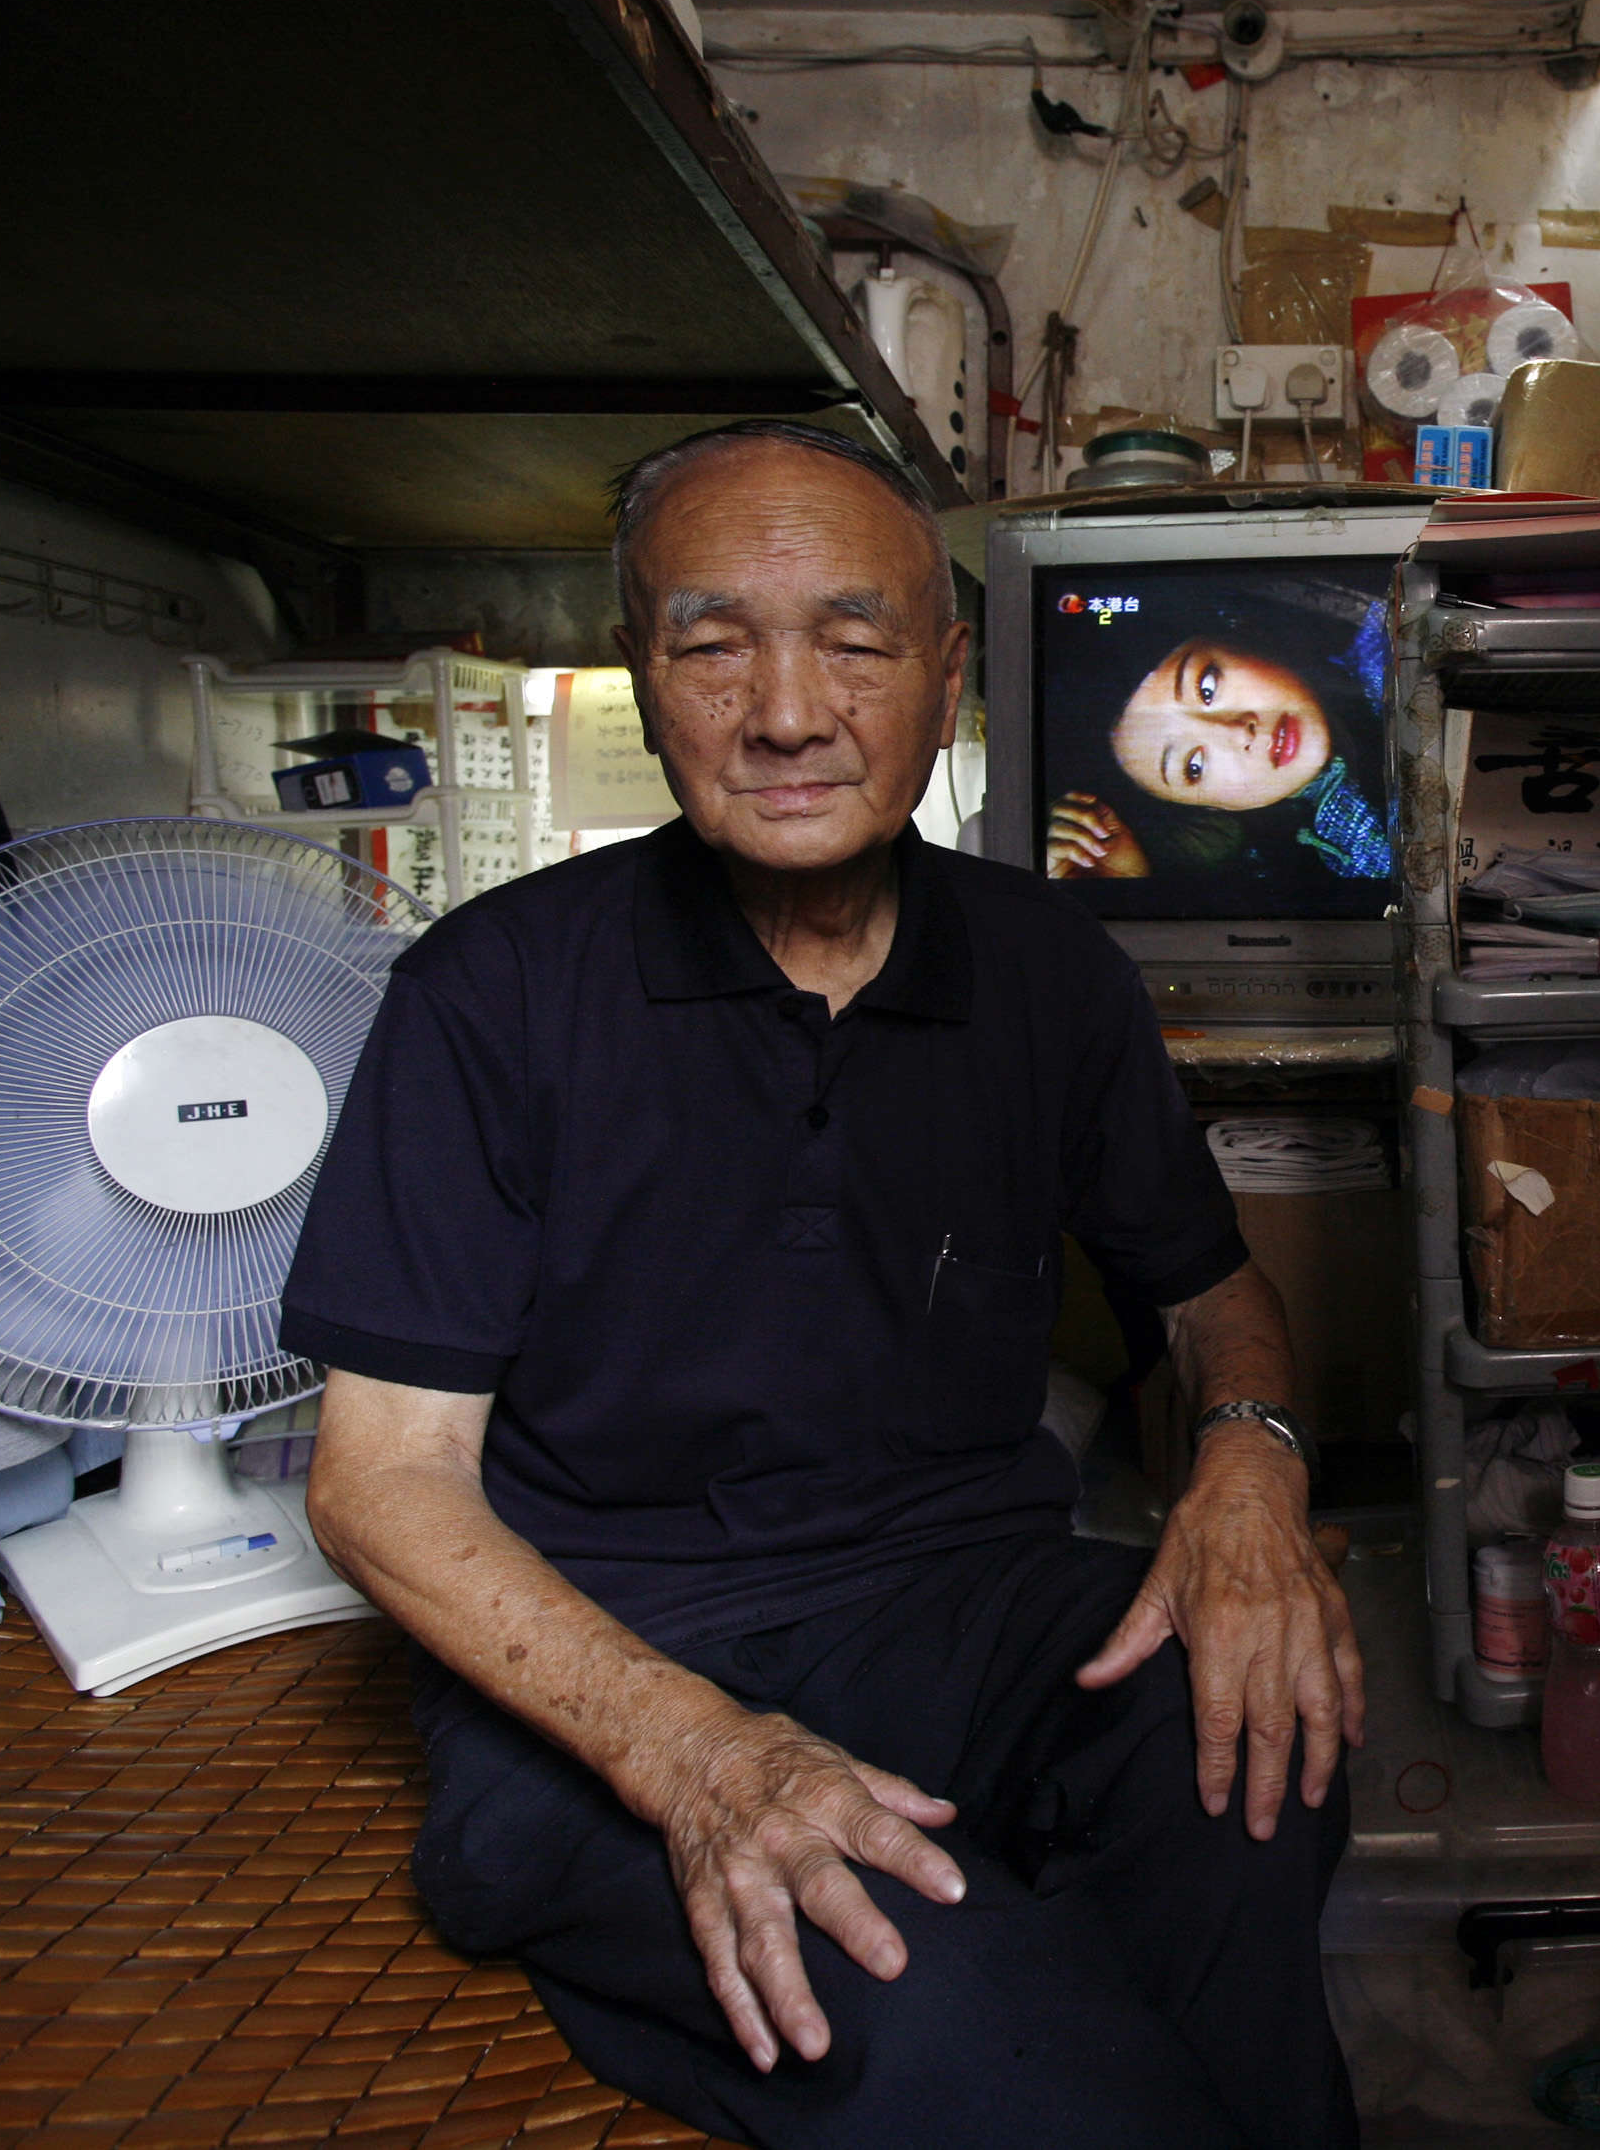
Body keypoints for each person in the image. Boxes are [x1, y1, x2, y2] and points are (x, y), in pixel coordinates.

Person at [287, 419, 1363, 2149]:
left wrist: (1249, 1457)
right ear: (646, 680)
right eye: (714, 642)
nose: (788, 712)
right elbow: (377, 1484)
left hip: (965, 1600)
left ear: (947, 677)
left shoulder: (1047, 972)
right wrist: (701, 1752)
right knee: (965, 2018)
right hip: (613, 1660)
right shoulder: (494, 991)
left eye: (855, 641)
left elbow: (1212, 1302)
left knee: (1244, 1752)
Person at [1042, 587, 1392, 886]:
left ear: (1233, 634)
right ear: (1210, 807)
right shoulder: (1270, 868)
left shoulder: (1392, 639)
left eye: (1207, 688)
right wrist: (1129, 889)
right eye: (1193, 767)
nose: (1236, 731)